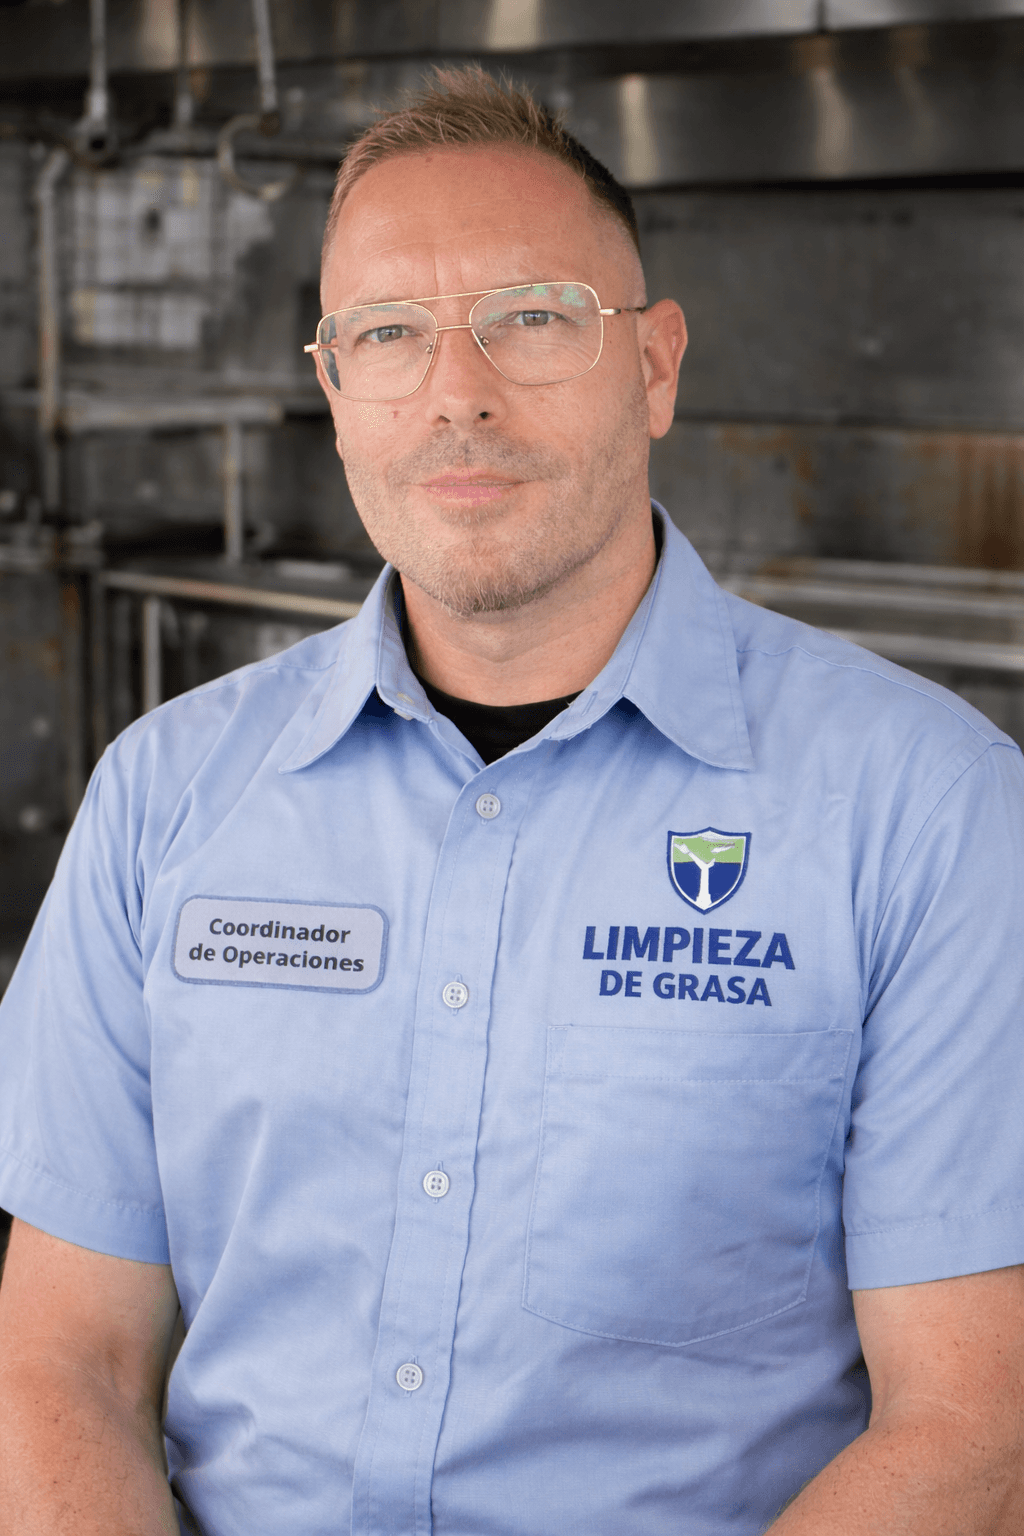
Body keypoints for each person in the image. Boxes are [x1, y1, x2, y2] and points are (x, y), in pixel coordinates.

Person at [0, 66, 1022, 1536]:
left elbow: (976, 1428)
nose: (457, 393)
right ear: (334, 392)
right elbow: (64, 1365)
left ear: (655, 366)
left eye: (533, 319)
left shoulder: (929, 810)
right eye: (389, 335)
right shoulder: (162, 796)